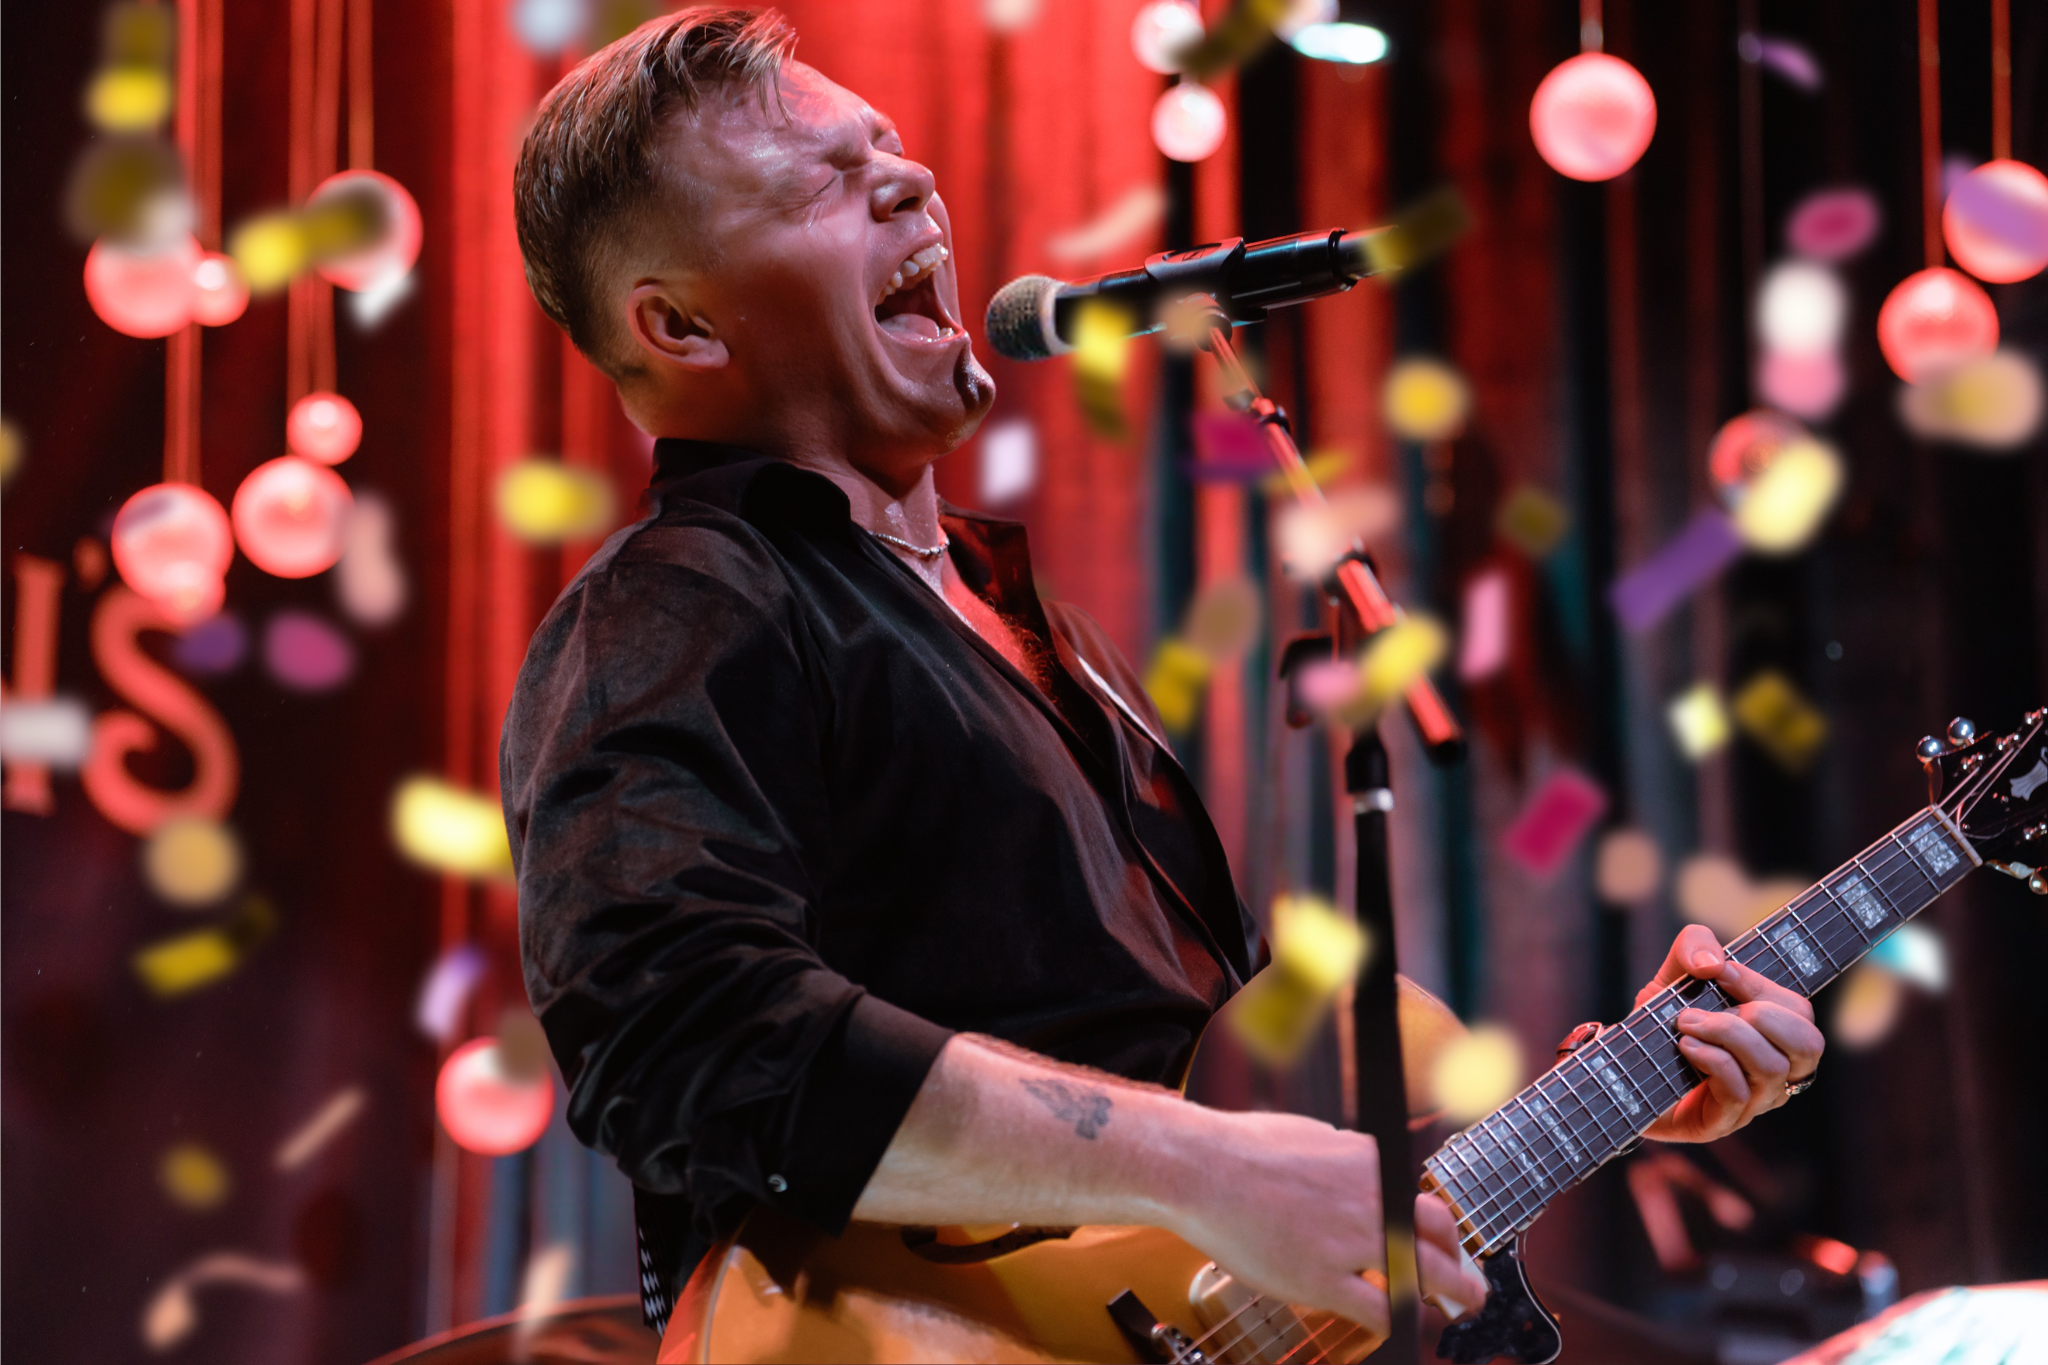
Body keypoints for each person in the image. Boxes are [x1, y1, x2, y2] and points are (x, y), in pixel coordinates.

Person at [501, 6, 1825, 1346]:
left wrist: (1612, 1091)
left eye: (888, 147)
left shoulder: (1050, 637)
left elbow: (1232, 1079)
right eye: (820, 185)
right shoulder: (677, 603)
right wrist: (1204, 1170)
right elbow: (681, 1035)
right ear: (679, 325)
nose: (908, 181)